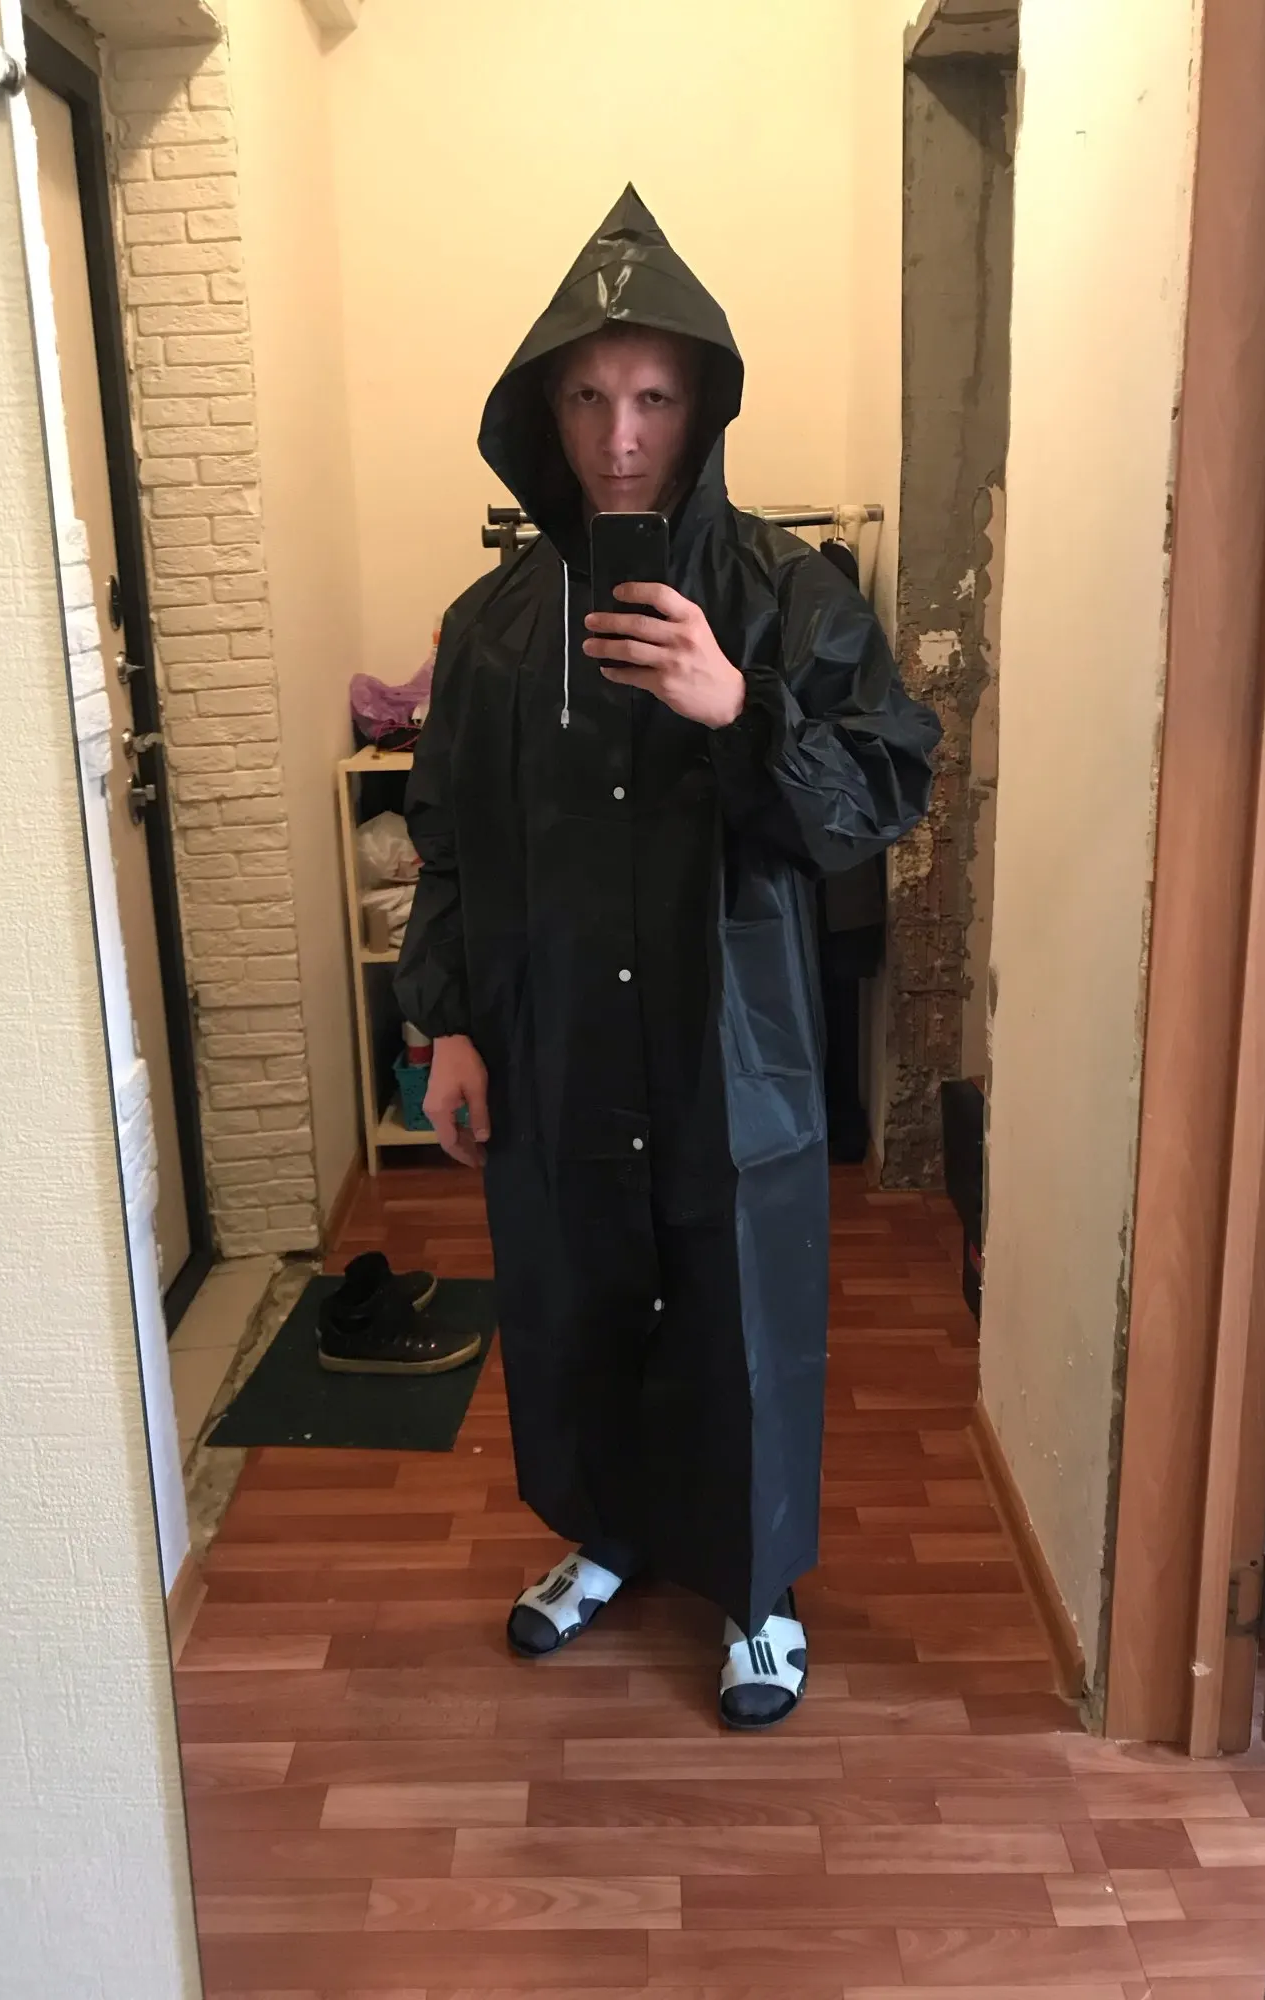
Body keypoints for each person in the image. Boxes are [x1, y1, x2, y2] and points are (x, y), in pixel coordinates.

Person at [395, 187, 941, 1729]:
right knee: (577, 1298)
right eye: (586, 397)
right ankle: (609, 1535)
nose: (619, 436)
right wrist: (448, 1025)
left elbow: (880, 793)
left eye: (650, 397)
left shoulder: (787, 596)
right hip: (557, 1039)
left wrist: (737, 707)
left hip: (730, 1046)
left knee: (735, 1310)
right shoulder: (492, 630)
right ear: (543, 411)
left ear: (702, 404)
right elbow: (447, 835)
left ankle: (757, 1592)